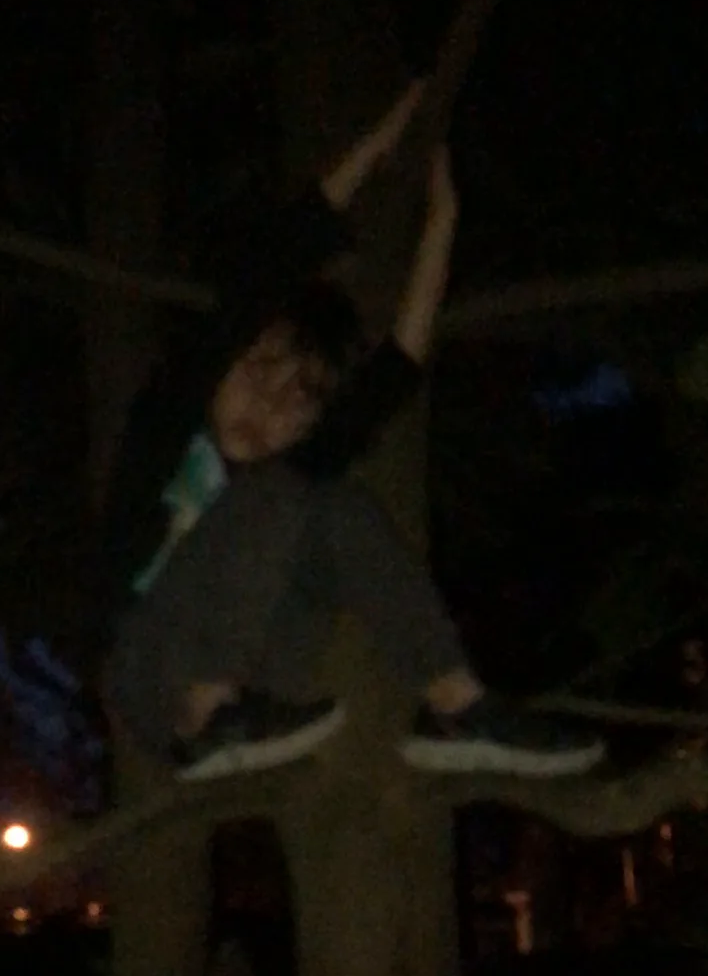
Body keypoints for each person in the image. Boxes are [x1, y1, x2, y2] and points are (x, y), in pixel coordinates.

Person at [101, 86, 605, 783]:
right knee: (284, 488)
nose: (266, 407)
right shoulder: (168, 428)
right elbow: (270, 267)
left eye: (294, 404)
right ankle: (207, 712)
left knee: (337, 502)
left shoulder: (290, 475)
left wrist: (444, 222)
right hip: (150, 669)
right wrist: (383, 138)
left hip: (261, 672)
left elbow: (397, 368)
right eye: (257, 374)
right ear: (220, 365)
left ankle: (461, 706)